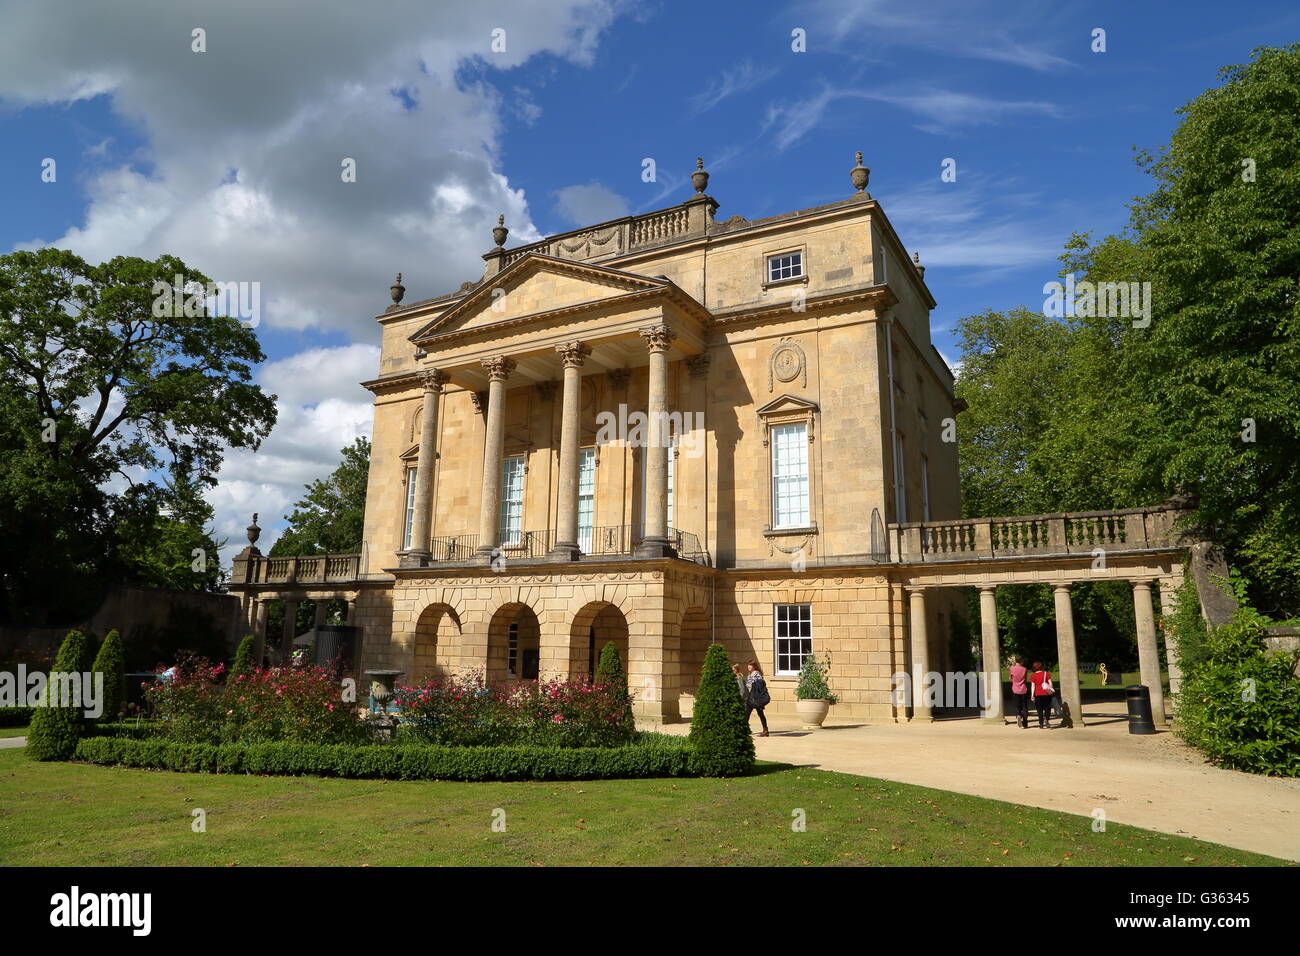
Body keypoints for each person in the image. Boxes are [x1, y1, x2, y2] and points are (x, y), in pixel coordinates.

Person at [744, 660, 770, 737]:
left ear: (754, 666)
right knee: (747, 713)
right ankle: (745, 729)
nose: (749, 667)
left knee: (760, 714)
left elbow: (761, 683)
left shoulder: (757, 674)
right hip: (751, 697)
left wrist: (753, 686)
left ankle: (765, 730)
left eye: (750, 665)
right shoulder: (749, 675)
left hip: (757, 698)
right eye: (748, 665)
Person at [1029, 660, 1054, 729]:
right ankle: (1047, 719)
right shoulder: (1046, 673)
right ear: (1041, 667)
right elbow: (1050, 683)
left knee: (1039, 709)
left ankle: (1041, 724)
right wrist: (1051, 690)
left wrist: (1032, 695)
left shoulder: (1033, 676)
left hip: (1038, 694)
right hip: (1046, 693)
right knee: (1047, 708)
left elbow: (1033, 686)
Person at [1009, 656, 1029, 729]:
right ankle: (1025, 722)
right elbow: (1025, 680)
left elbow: (1010, 679)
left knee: (1017, 705)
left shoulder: (1012, 668)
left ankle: (1018, 715)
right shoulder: (1024, 669)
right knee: (1024, 705)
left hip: (1015, 689)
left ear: (1015, 660)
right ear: (1021, 661)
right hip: (1023, 689)